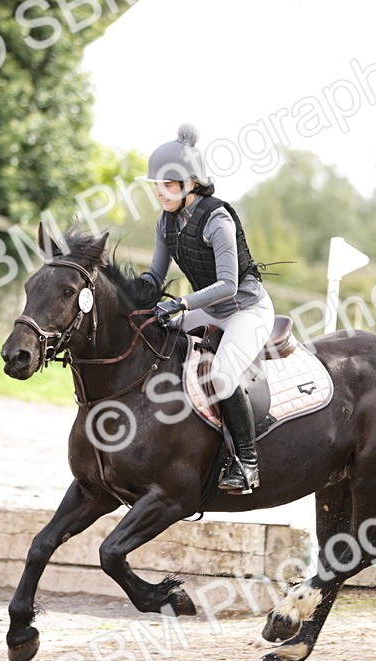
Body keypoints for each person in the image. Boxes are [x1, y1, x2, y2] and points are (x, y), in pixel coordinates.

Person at [137, 124, 275, 494]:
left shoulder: (218, 219)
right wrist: (125, 294)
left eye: (167, 185)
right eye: (156, 185)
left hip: (246, 309)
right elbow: (154, 277)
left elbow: (228, 285)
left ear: (190, 184)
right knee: (153, 332)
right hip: (211, 311)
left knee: (224, 373)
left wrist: (180, 303)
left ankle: (247, 462)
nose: (159, 192)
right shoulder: (166, 222)